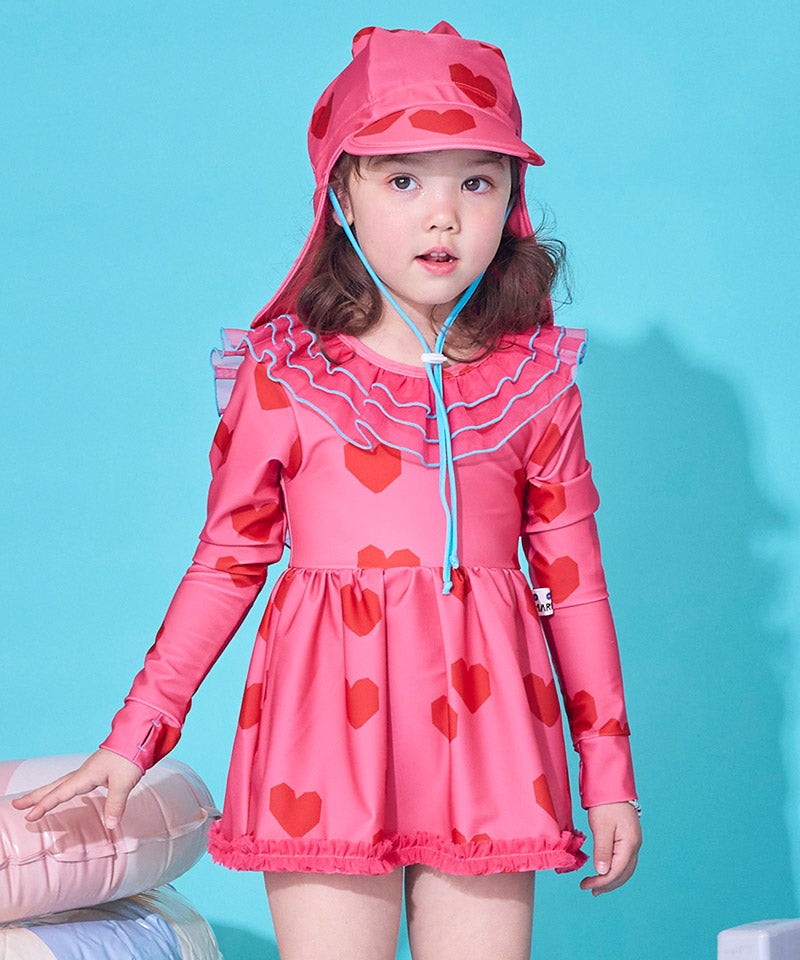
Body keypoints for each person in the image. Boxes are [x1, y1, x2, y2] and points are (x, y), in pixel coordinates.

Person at [14, 21, 642, 960]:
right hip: (325, 734)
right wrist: (134, 734)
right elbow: (227, 562)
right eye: (403, 180)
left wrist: (610, 776)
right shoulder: (286, 377)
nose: (443, 216)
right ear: (341, 191)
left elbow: (575, 585)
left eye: (477, 181)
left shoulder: (534, 384)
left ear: (513, 197)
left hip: (491, 736)